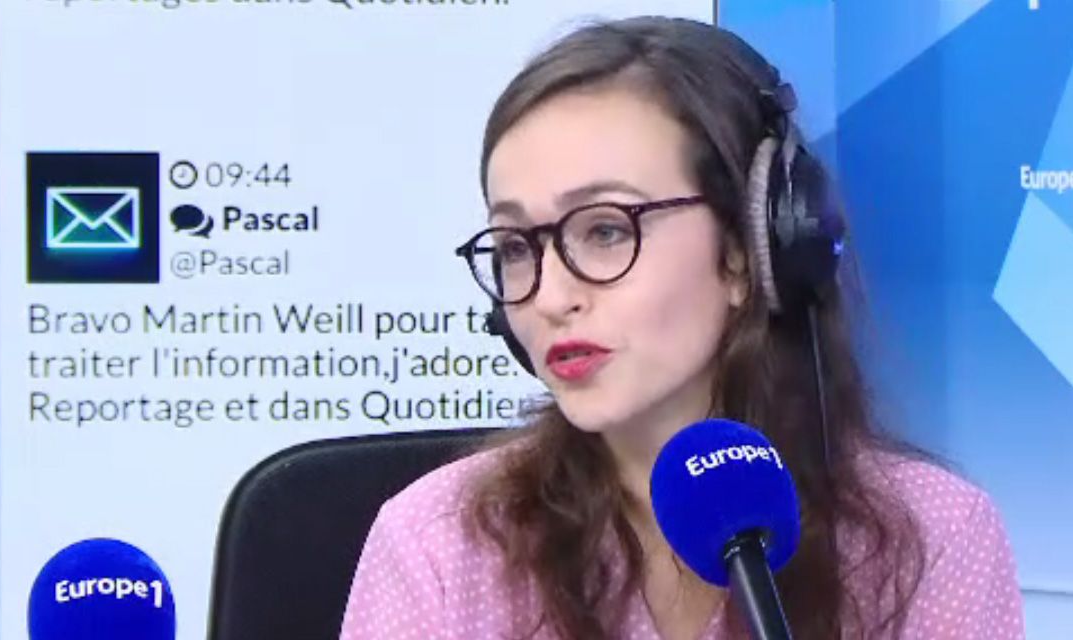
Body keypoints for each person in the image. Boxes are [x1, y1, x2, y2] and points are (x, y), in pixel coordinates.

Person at [339, 15, 1023, 640]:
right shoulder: (440, 546)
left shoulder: (933, 539)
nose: (548, 296)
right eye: (517, 247)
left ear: (749, 250)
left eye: (606, 230)